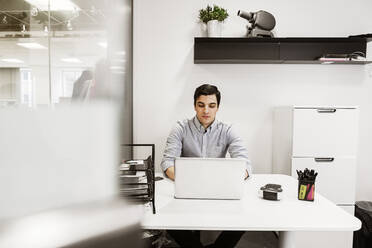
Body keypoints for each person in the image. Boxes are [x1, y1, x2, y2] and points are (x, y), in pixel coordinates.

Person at [160, 84, 251, 248]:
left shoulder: (228, 129)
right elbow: (167, 163)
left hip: (218, 191)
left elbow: (245, 165)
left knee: (244, 221)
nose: (206, 111)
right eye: (201, 105)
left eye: (211, 105)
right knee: (167, 220)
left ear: (218, 107)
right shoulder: (180, 128)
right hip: (187, 190)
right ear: (195, 105)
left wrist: (228, 178)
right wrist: (189, 180)